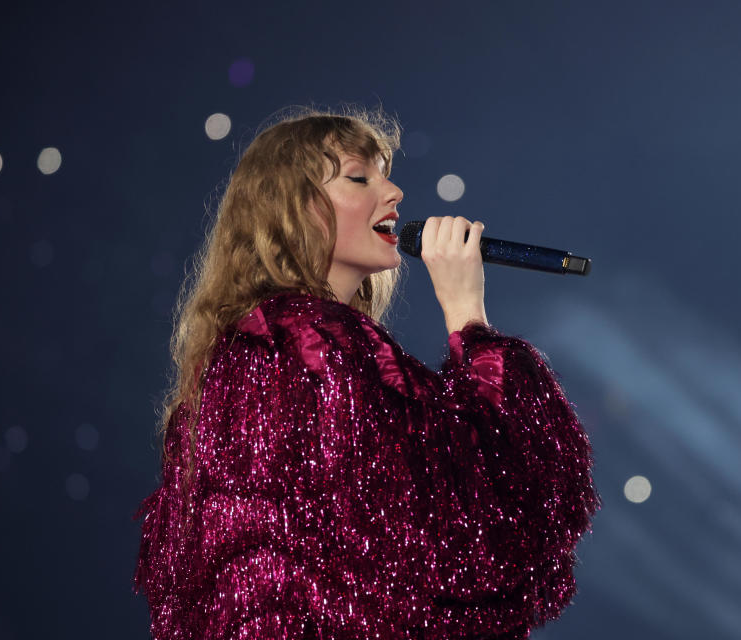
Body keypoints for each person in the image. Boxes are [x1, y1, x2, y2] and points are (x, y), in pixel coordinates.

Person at [132, 106, 599, 640]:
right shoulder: (313, 345)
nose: (395, 191)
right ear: (295, 209)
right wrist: (468, 317)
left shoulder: (250, 351)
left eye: (385, 172)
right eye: (360, 177)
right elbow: (466, 515)